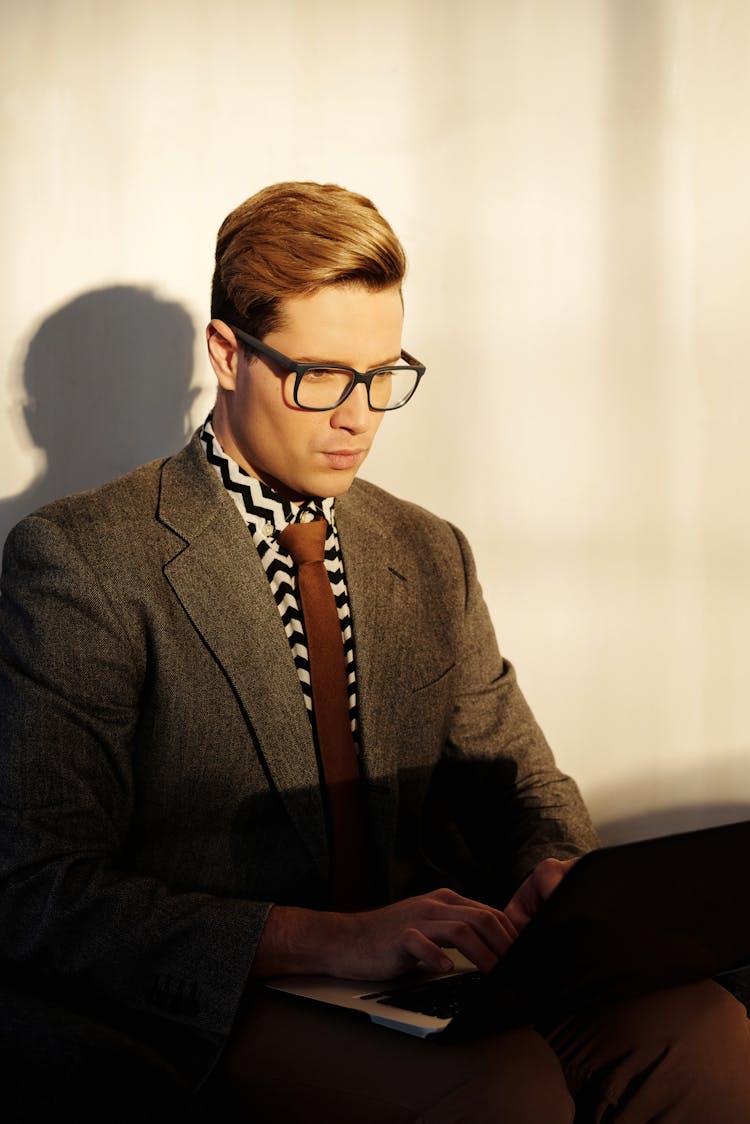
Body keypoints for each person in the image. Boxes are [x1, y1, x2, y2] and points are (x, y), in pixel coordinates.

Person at [0, 181, 749, 1123]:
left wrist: (563, 892)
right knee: (502, 1093)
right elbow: (35, 887)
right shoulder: (82, 558)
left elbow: (521, 780)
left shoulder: (428, 549)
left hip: (431, 975)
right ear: (228, 354)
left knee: (705, 1028)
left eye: (383, 375)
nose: (359, 416)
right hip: (229, 998)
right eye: (321, 377)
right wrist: (321, 940)